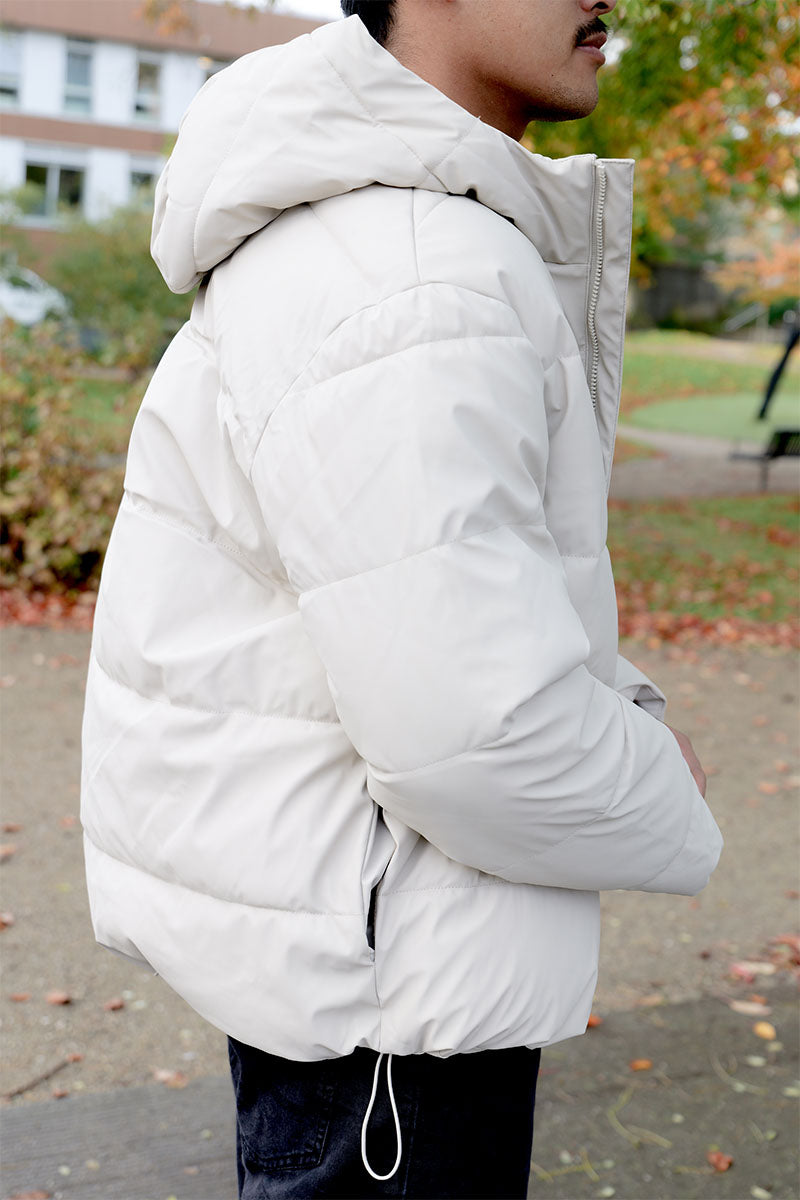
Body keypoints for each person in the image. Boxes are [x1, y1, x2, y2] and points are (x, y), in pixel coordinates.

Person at [80, 1, 723, 1196]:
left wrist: (616, 713)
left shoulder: (378, 236)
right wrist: (663, 790)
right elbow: (470, 734)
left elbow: (443, 608)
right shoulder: (414, 271)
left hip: (362, 964)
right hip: (394, 1000)